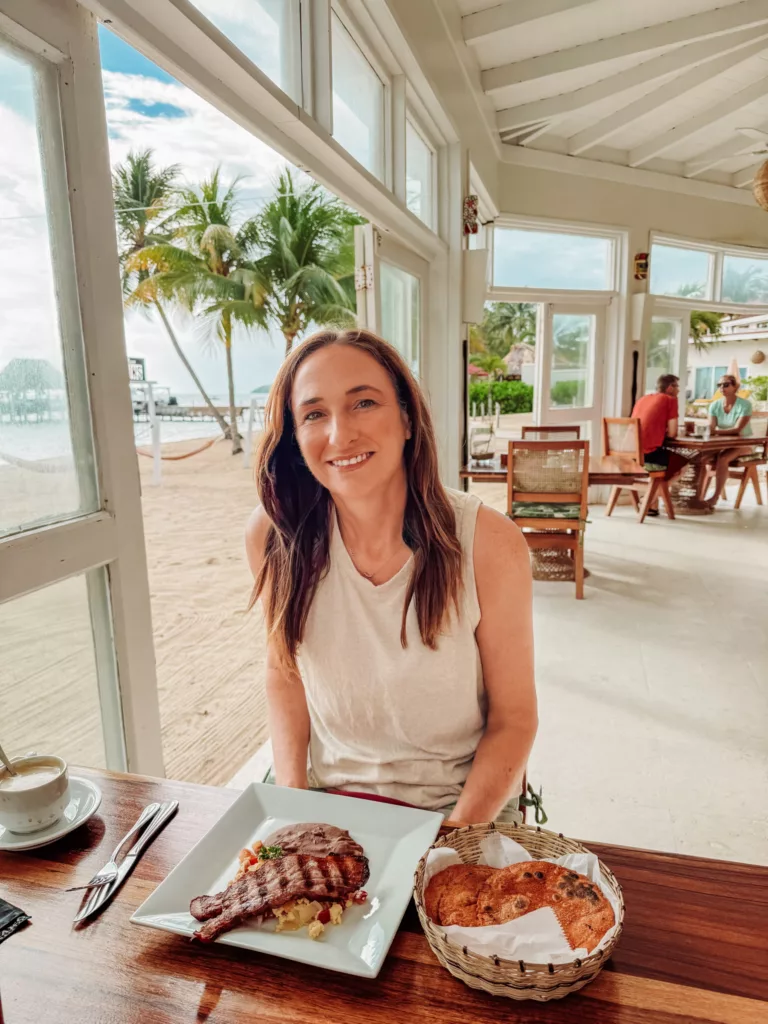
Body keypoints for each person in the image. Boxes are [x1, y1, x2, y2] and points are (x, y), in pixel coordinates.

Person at [246, 328, 537, 824]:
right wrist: (292, 809)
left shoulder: (489, 543)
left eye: (363, 403)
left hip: (459, 807)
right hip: (326, 799)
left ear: (406, 417)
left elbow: (514, 720)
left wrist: (451, 840)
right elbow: (285, 675)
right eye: (314, 414)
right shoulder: (277, 536)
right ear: (294, 438)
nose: (340, 434)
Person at [631, 374, 686, 515]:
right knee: (683, 465)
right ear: (670, 388)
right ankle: (648, 499)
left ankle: (652, 507)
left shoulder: (643, 399)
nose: (679, 390)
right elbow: (672, 433)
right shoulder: (670, 400)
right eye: (677, 387)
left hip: (630, 454)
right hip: (648, 456)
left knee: (662, 461)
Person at [704, 375, 753, 506]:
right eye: (719, 385)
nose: (721, 387)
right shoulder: (714, 405)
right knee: (702, 457)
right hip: (723, 443)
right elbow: (711, 426)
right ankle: (699, 496)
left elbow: (737, 429)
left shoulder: (745, 405)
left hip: (744, 443)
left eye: (726, 385)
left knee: (723, 458)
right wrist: (706, 430)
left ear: (735, 387)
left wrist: (714, 432)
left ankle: (715, 497)